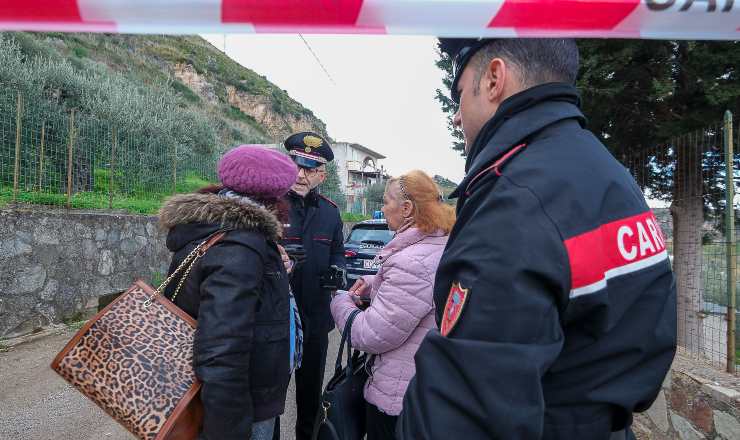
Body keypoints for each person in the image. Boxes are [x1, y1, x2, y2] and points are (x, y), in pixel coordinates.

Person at [398, 39, 677, 440]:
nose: (457, 117)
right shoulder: (608, 173)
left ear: (494, 79)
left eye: (459, 96)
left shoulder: (515, 200)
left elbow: (462, 418)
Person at [158, 145, 298, 440]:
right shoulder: (241, 246)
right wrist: (228, 431)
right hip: (241, 407)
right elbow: (221, 350)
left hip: (223, 397)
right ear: (273, 196)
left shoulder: (218, 230)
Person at [331, 170, 454, 440]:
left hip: (398, 401)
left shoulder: (411, 262)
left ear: (407, 208)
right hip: (426, 392)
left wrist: (340, 301)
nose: (383, 208)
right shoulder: (441, 245)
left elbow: (369, 334)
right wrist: (374, 283)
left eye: (386, 202)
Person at [281, 131, 346, 440]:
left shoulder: (331, 213)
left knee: (309, 396)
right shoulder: (271, 205)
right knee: (272, 398)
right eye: (296, 164)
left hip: (317, 318)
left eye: (309, 168)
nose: (301, 174)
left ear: (322, 174)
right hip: (277, 318)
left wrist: (338, 270)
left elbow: (337, 252)